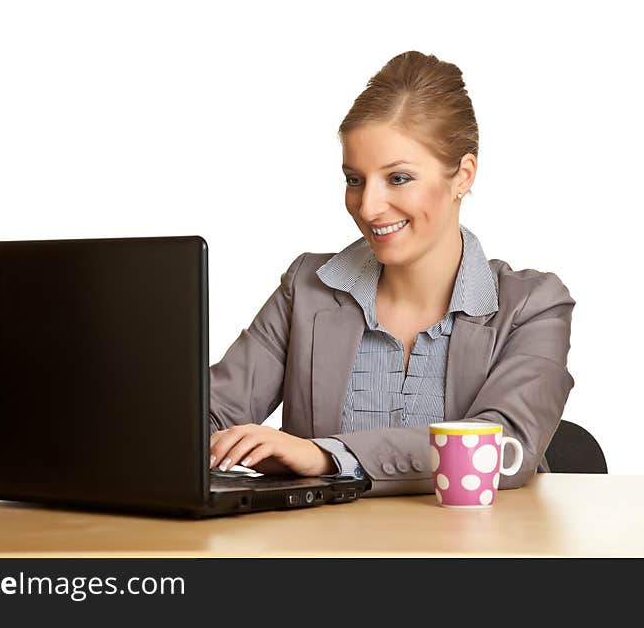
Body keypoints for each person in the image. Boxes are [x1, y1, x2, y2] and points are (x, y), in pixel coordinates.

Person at [208, 50, 576, 497]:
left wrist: (327, 456)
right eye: (355, 179)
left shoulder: (532, 306)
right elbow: (205, 413)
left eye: (398, 178)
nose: (367, 207)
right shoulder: (306, 287)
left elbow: (502, 446)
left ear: (463, 175)